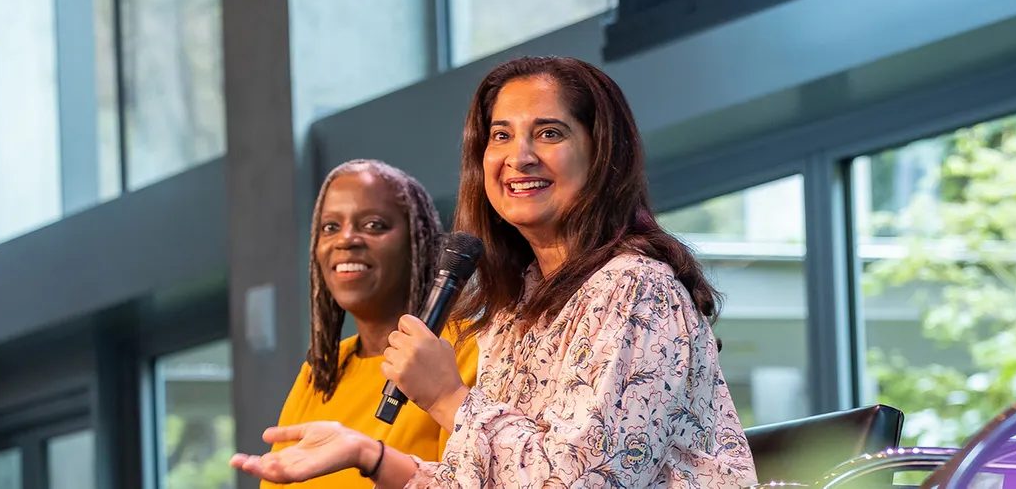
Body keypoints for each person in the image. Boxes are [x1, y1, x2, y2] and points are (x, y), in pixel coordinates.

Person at [232, 57, 758, 488]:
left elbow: (586, 482)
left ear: (602, 154)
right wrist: (366, 454)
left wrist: (445, 398)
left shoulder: (636, 288)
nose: (519, 156)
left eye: (548, 133)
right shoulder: (512, 315)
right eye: (500, 135)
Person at [261, 159, 480, 489]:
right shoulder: (320, 372)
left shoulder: (461, 350)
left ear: (419, 242)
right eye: (330, 227)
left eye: (374, 225)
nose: (346, 240)